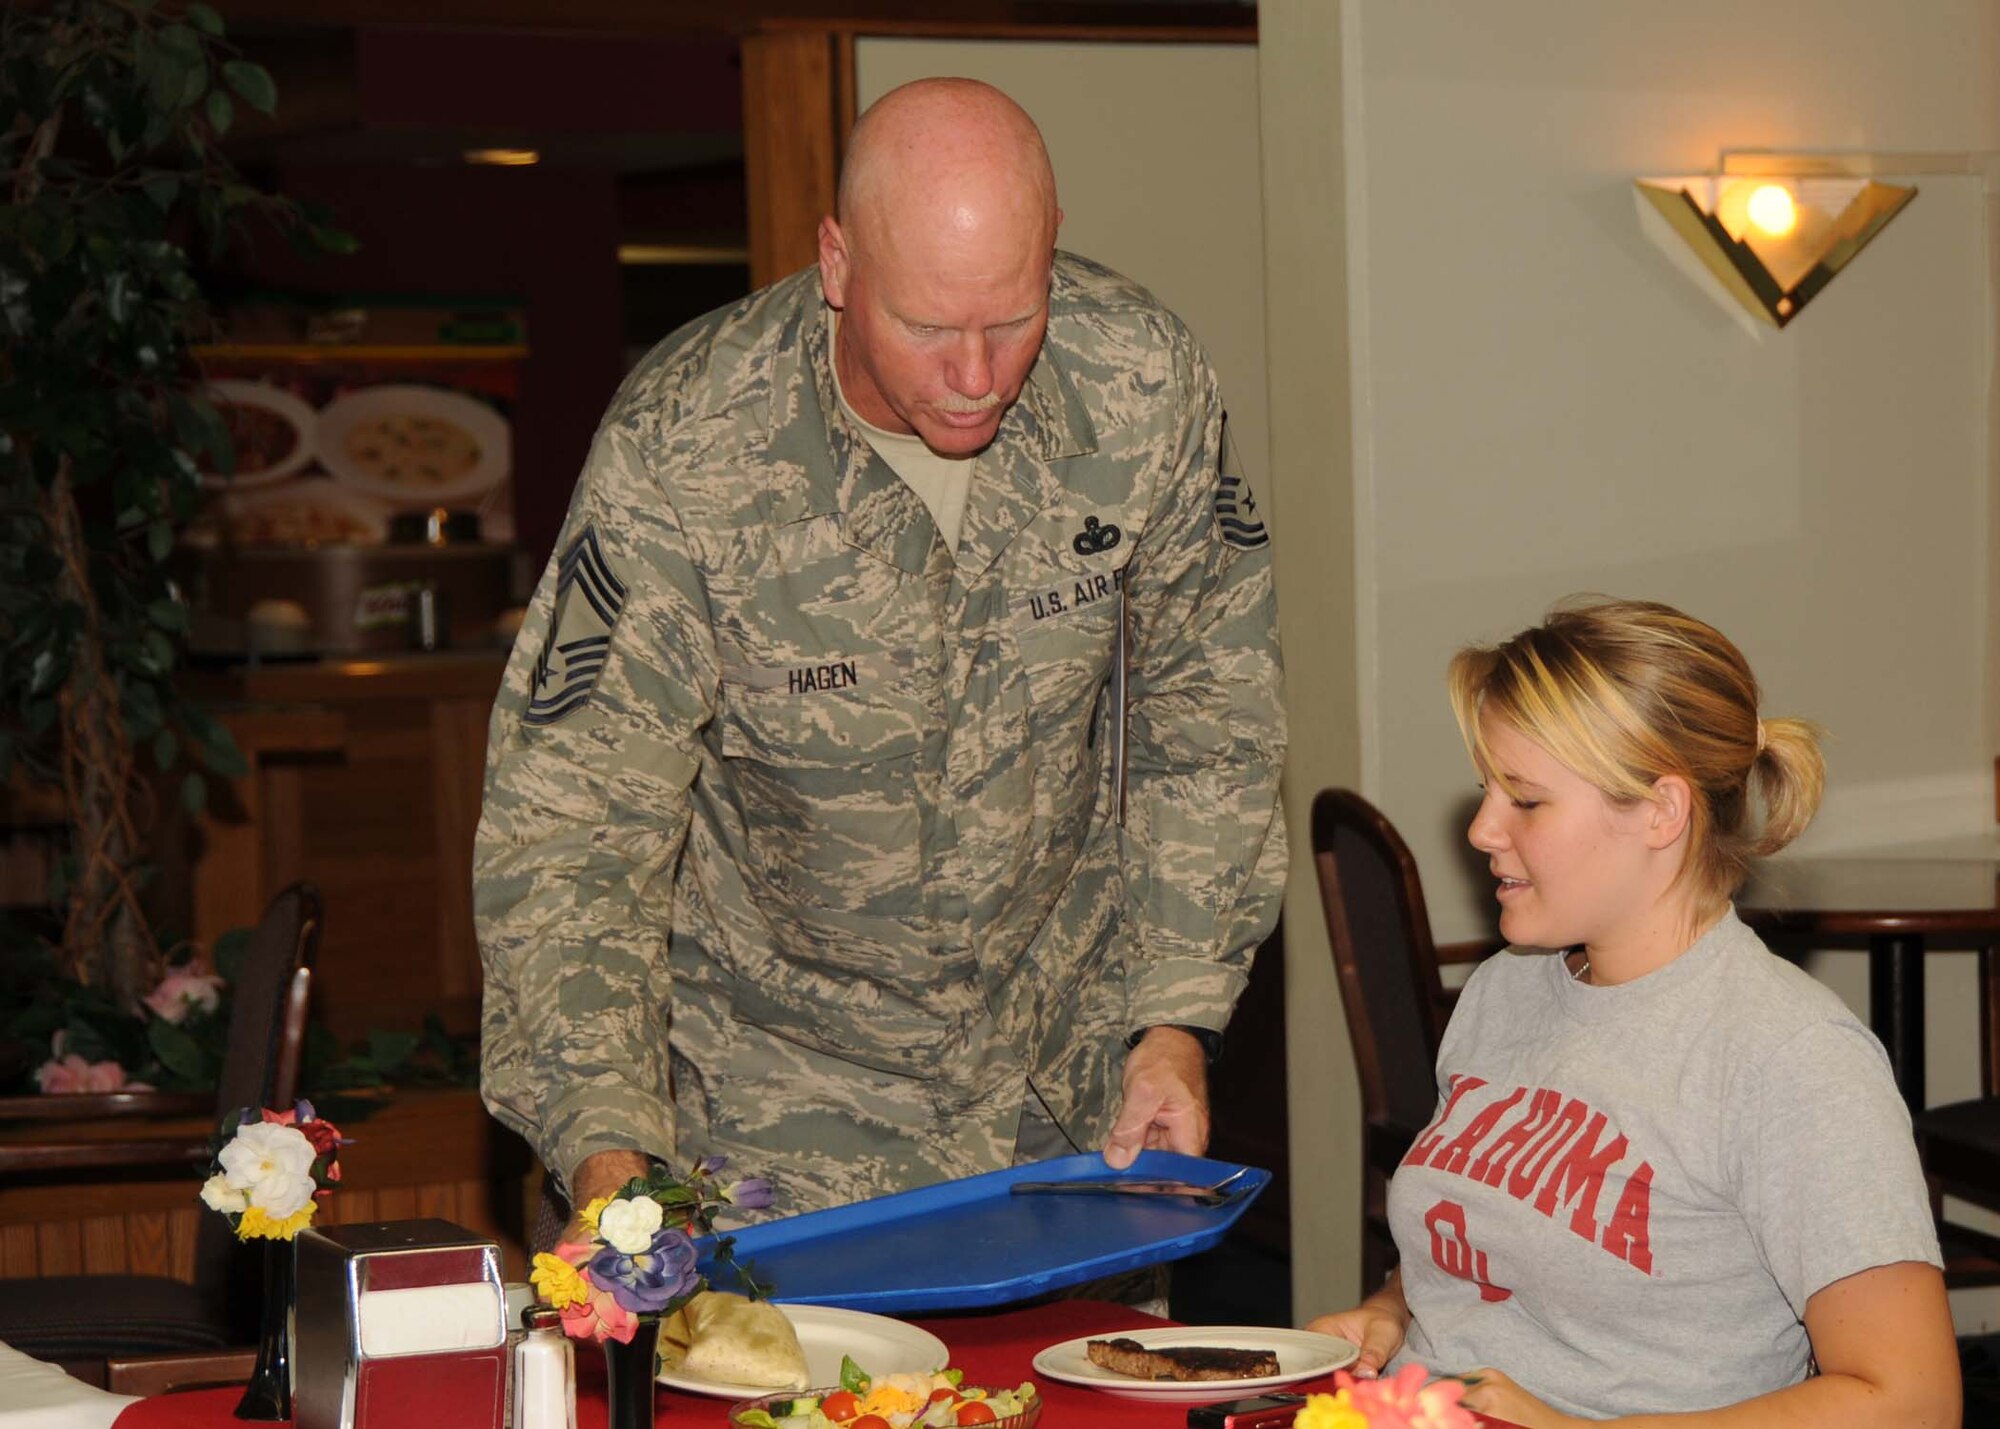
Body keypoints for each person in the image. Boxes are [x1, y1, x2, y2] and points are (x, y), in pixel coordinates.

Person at [473, 77, 1286, 1227]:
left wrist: (1172, 1018)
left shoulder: (1140, 385)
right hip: (772, 1125)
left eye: (1012, 320)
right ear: (838, 266)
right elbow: (573, 825)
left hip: (1059, 1106)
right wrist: (605, 1140)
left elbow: (1209, 721)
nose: (975, 376)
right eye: (926, 326)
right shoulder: (686, 443)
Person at [1308, 598, 1958, 1427]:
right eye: (1487, 791)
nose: (1480, 828)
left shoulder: (1791, 1057)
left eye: (1527, 800)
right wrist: (1390, 1312)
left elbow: (1913, 1400)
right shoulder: (1508, 987)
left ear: (1661, 812)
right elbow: (1490, 1248)